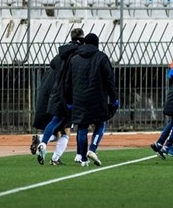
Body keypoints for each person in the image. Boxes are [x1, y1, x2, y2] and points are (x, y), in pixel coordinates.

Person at [63, 33, 119, 167]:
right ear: (96, 43)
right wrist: (114, 98)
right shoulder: (101, 57)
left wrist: (69, 100)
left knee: (82, 127)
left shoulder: (74, 59)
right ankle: (92, 149)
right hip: (98, 98)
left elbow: (68, 82)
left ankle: (83, 159)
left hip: (79, 99)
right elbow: (109, 80)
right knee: (100, 123)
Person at [34, 28, 85, 166]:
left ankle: (43, 142)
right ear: (82, 38)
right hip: (69, 95)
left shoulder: (60, 54)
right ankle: (56, 158)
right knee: (67, 131)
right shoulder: (78, 55)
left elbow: (53, 66)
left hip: (56, 93)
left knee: (55, 121)